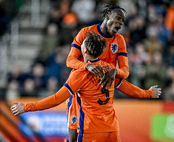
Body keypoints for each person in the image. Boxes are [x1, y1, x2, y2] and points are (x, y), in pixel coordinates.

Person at [10, 32, 162, 141]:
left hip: (91, 131)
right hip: (112, 130)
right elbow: (128, 88)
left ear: (85, 50)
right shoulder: (109, 69)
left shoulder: (79, 74)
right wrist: (149, 93)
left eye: (82, 43)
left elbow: (57, 99)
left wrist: (26, 107)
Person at [66, 3, 162, 141]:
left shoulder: (119, 41)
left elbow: (125, 72)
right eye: (118, 18)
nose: (120, 23)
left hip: (103, 93)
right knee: (73, 137)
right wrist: (87, 66)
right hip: (80, 93)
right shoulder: (86, 33)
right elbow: (70, 61)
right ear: (107, 16)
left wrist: (114, 71)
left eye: (122, 21)